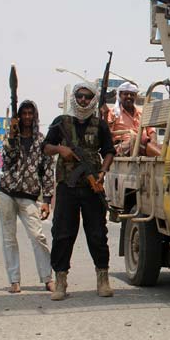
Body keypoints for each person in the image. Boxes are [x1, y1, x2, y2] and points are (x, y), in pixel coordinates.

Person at [43, 82, 115, 301]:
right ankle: (61, 281)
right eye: (80, 96)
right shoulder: (60, 123)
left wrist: (103, 171)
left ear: (93, 100)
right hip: (67, 186)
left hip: (92, 188)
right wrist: (60, 149)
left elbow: (109, 151)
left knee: (97, 234)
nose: (83, 100)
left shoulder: (100, 125)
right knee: (63, 234)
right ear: (75, 98)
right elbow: (45, 147)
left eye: (88, 97)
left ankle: (103, 278)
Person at [0, 100, 55, 294]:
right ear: (19, 116)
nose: (28, 117)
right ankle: (14, 280)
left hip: (29, 196)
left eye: (31, 113)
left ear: (35, 115)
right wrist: (13, 136)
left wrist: (47, 200)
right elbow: (8, 157)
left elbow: (47, 170)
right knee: (9, 239)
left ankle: (47, 278)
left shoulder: (41, 141)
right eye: (24, 113)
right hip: (7, 192)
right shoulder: (9, 137)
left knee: (38, 236)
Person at [103, 81, 160, 157]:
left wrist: (153, 141)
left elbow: (152, 131)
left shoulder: (142, 113)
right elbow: (107, 135)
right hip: (124, 145)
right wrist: (104, 114)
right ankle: (166, 162)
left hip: (144, 144)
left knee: (165, 147)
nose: (129, 96)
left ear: (135, 96)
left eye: (132, 94)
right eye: (126, 94)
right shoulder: (113, 113)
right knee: (134, 140)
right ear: (120, 95)